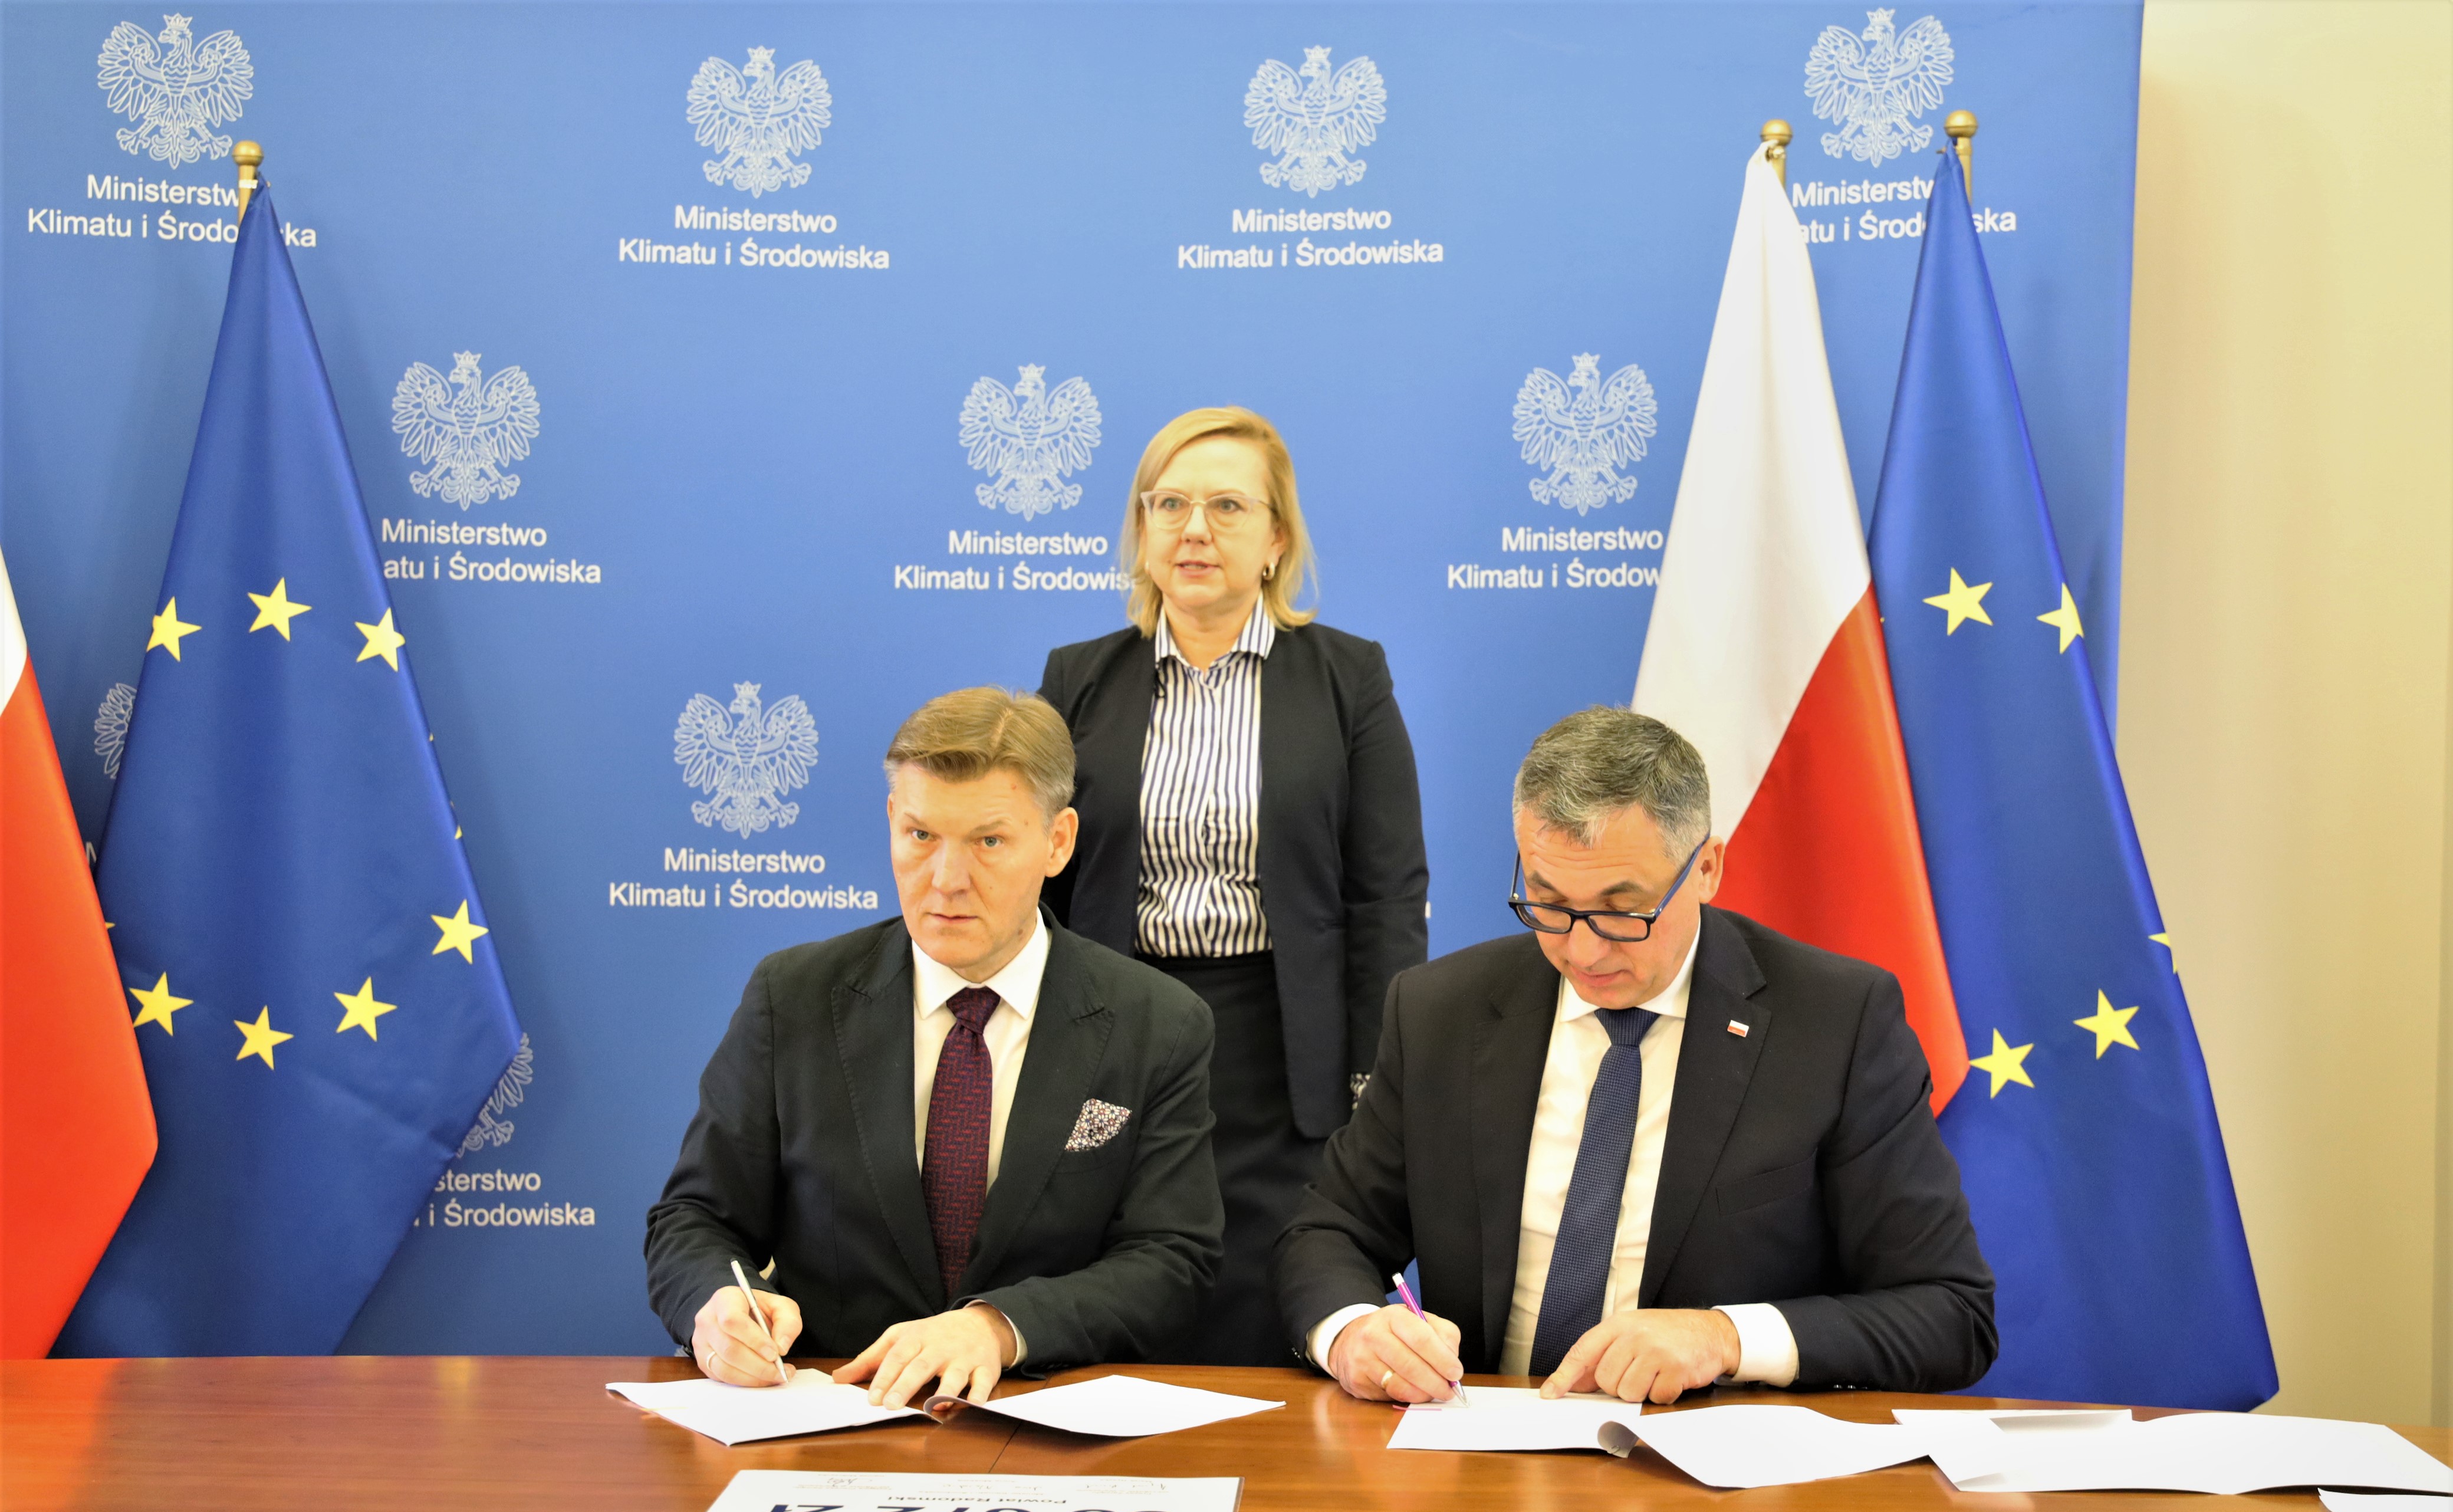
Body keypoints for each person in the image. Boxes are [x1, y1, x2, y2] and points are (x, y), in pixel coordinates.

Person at [1277, 706, 1996, 1405]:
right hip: (1481, 1448)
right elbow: (1328, 1232)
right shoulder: (1441, 1011)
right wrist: (1352, 1332)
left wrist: (1724, 1337)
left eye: (1622, 911)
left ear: (1706, 867)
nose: (1582, 950)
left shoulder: (1834, 1022)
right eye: (1548, 902)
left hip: (1713, 1458)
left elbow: (1949, 1312)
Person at [645, 688, 1224, 1406]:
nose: (946, 880)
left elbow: (1172, 1260)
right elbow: (695, 1219)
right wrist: (715, 1303)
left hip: (1044, 1415)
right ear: (892, 819)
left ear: (1058, 841)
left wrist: (999, 1327)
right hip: (834, 1409)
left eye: (988, 841)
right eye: (920, 835)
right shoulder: (791, 996)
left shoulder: (1157, 1021)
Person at [1040, 406, 1428, 1366]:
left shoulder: (1347, 677)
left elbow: (1386, 895)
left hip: (1280, 1042)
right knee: (1124, 1276)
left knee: (1271, 1291)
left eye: (1227, 506)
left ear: (1276, 539)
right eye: (1169, 504)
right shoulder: (1078, 679)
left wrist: (1375, 1074)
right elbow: (1041, 881)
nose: (1194, 530)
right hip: (1120, 1028)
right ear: (1142, 530)